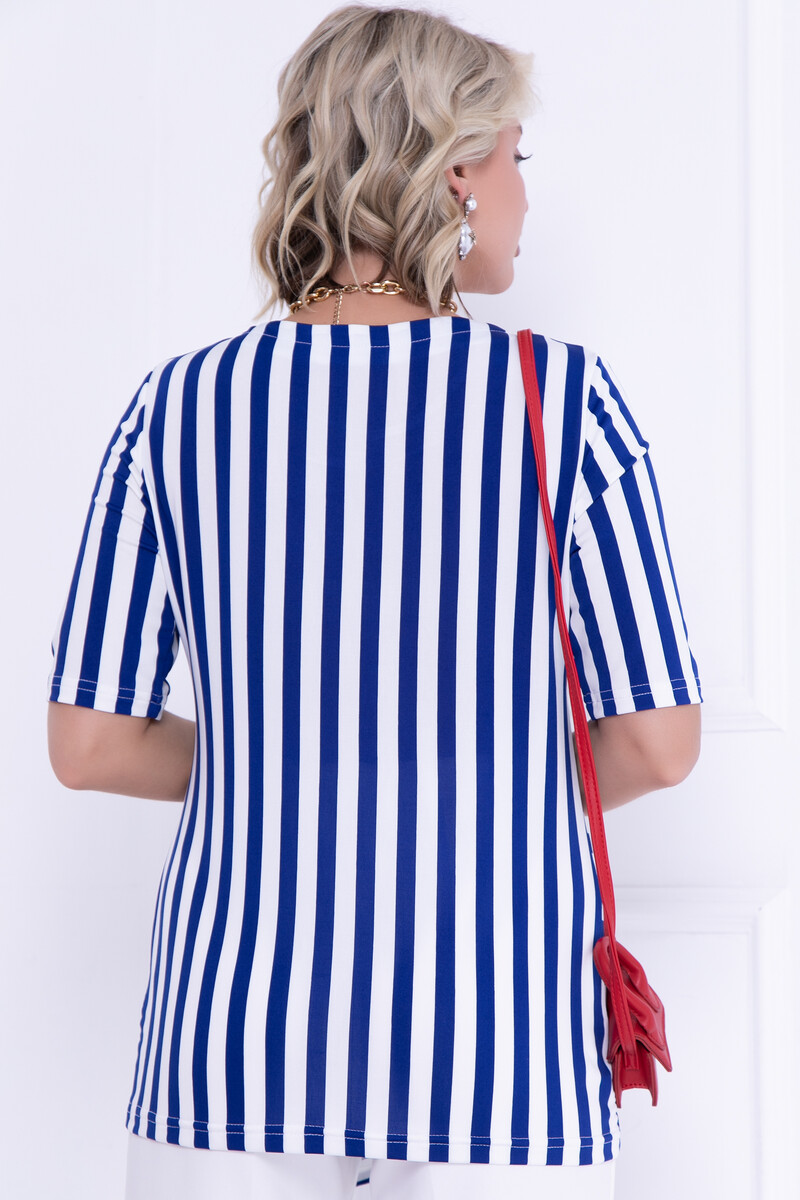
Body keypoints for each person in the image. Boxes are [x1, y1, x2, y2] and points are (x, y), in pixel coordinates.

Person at [45, 5, 702, 1199]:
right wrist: (462, 774)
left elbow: (88, 744)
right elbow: (657, 742)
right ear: (455, 172)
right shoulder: (561, 401)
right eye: (513, 158)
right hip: (497, 1048)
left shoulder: (178, 408)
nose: (522, 195)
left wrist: (290, 760)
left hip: (232, 1043)